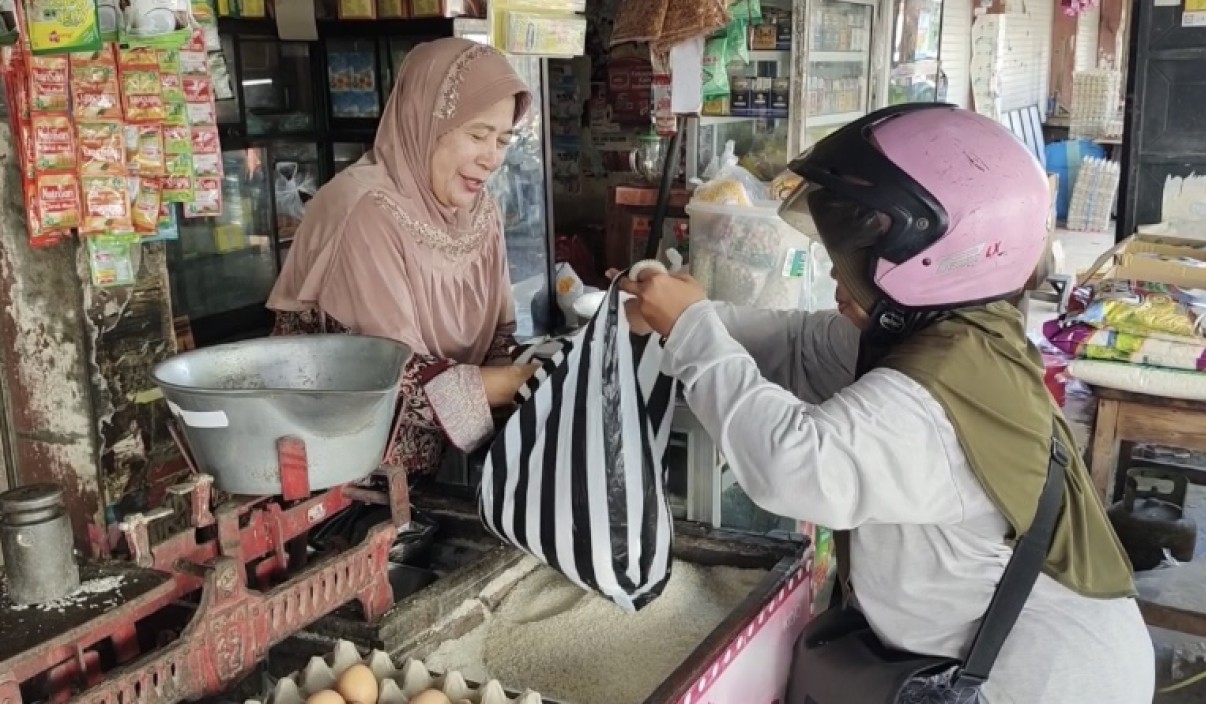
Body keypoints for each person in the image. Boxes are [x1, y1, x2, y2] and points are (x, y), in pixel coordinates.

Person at [618, 103, 1155, 703]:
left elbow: (791, 466)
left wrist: (693, 330)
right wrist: (674, 318)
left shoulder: (938, 394)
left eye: (856, 252)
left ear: (937, 253)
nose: (835, 274)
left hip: (1045, 683)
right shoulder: (949, 334)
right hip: (979, 661)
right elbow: (799, 346)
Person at [268, 38, 538, 476]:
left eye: (504, 139)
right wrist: (518, 381)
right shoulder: (364, 209)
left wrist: (526, 372)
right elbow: (387, 377)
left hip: (435, 471)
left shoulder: (480, 211)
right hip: (344, 474)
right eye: (477, 135)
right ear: (423, 122)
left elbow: (499, 340)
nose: (492, 158)